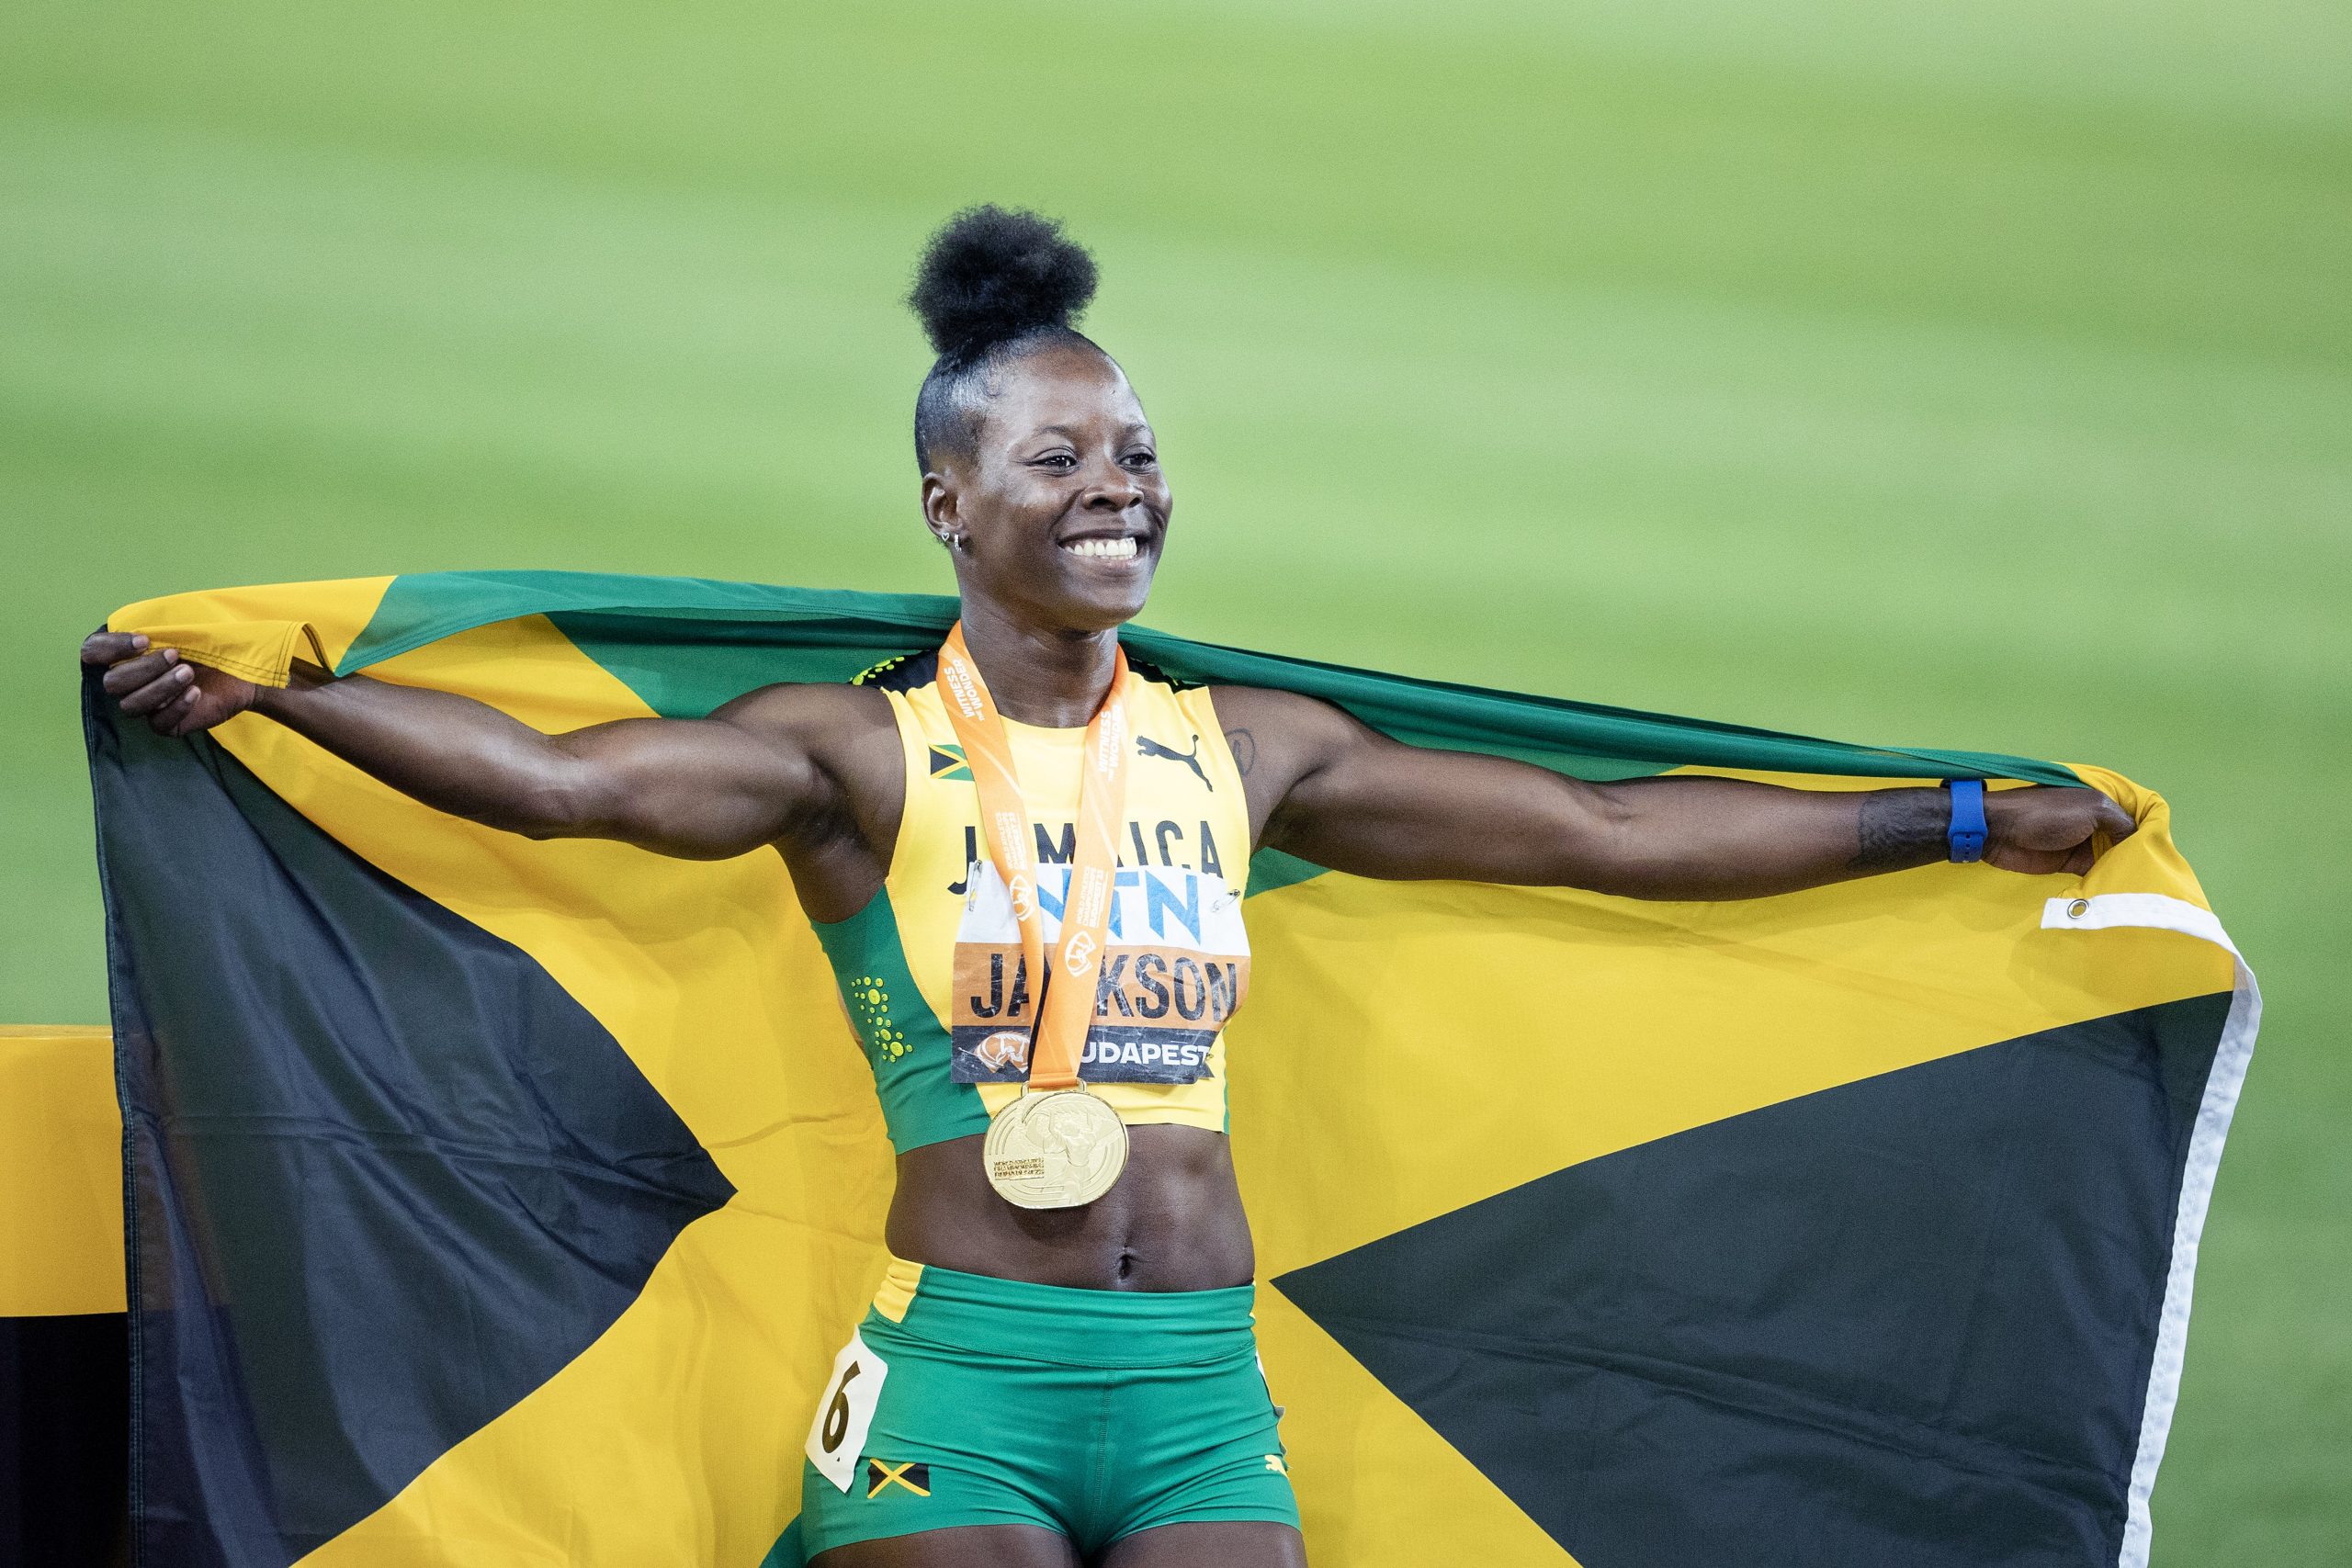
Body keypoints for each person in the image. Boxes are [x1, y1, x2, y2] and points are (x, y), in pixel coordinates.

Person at [81, 206, 2134, 1568]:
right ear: (947, 501)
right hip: (955, 1377)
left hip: (1194, 1386)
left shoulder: (1246, 750)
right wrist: (281, 704)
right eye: (1056, 460)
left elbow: (1602, 839)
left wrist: (1946, 818)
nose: (1115, 487)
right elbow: (548, 784)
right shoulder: (852, 751)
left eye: (1134, 450)